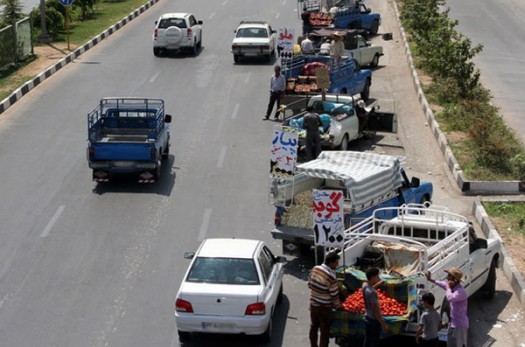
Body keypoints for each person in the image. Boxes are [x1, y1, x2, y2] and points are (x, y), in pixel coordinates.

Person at [426, 268, 468, 347]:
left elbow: (450, 298)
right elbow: (442, 283)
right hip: (452, 324)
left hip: (459, 326)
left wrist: (448, 288)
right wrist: (430, 279)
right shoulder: (452, 288)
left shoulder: (461, 292)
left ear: (455, 280)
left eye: (449, 277)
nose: (447, 278)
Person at [308, 250, 341, 347]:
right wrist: (338, 305)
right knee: (324, 330)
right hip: (325, 308)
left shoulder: (315, 269)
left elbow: (309, 284)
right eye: (336, 263)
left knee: (313, 326)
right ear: (331, 263)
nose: (337, 265)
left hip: (313, 304)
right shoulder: (331, 277)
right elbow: (334, 296)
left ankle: (313, 345)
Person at [363, 267, 389, 347]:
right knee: (374, 342)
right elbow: (375, 311)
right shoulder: (373, 293)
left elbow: (370, 289)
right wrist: (383, 324)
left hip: (367, 317)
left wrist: (378, 284)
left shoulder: (364, 285)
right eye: (377, 276)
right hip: (374, 320)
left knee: (367, 339)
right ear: (373, 277)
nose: (379, 278)